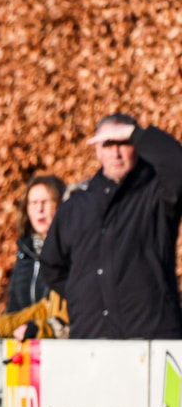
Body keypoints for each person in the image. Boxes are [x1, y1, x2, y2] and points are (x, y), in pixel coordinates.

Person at [41, 113, 182, 340]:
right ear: (97, 149)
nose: (116, 153)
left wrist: (137, 134)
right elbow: (51, 265)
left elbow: (177, 164)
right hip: (91, 339)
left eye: (124, 143)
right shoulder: (75, 207)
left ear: (137, 146)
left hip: (152, 337)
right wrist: (85, 294)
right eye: (108, 144)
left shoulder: (156, 196)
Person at [6, 175, 66, 313]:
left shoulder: (70, 251)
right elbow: (13, 307)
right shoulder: (24, 253)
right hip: (24, 333)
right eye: (33, 203)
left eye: (45, 202)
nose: (39, 209)